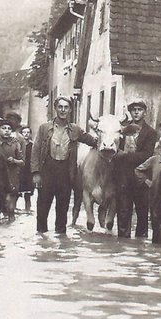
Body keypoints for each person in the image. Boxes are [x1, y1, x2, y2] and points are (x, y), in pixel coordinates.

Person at [31, 96, 96, 235]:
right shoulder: (44, 128)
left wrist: (107, 140)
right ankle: (41, 238)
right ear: (55, 108)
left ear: (70, 110)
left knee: (63, 207)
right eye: (60, 107)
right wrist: (36, 173)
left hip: (66, 171)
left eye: (66, 107)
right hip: (47, 169)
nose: (63, 110)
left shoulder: (75, 130)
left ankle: (61, 238)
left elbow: (92, 141)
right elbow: (36, 150)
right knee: (42, 206)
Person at [115, 98, 158, 239]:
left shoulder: (150, 132)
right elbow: (115, 151)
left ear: (144, 112)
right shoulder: (122, 129)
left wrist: (125, 155)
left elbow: (146, 155)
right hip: (123, 177)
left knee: (142, 212)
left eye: (139, 110)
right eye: (134, 110)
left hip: (141, 177)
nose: (136, 112)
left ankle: (141, 244)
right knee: (123, 211)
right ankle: (123, 241)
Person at [135, 134, 161, 244]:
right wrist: (147, 181)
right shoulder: (154, 160)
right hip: (156, 199)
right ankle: (156, 252)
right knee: (156, 228)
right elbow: (138, 170)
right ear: (159, 147)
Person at [0, 119, 23, 222]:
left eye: (9, 129)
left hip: (12, 176)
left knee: (10, 205)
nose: (7, 131)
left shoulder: (15, 143)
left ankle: (11, 226)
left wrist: (14, 161)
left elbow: (22, 162)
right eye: (4, 128)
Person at [19, 126, 34, 214]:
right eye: (24, 132)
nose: (26, 134)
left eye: (28, 132)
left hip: (28, 170)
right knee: (18, 189)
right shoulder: (19, 145)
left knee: (28, 189)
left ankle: (27, 207)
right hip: (20, 169)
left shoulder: (32, 145)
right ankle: (13, 208)